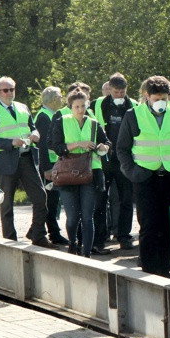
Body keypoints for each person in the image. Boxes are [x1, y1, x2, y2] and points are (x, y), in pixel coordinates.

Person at [117, 76, 170, 278]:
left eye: (164, 98)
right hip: (145, 179)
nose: (161, 102)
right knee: (148, 226)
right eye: (157, 98)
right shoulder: (133, 114)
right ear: (147, 96)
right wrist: (132, 173)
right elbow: (122, 148)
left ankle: (164, 271)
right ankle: (148, 273)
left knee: (167, 227)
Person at [0, 76, 53, 248]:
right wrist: (11, 143)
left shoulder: (23, 107)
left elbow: (33, 128)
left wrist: (35, 134)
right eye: (5, 90)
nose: (9, 93)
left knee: (41, 197)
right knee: (6, 204)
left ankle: (38, 234)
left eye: (11, 89)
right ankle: (10, 241)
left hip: (27, 158)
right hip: (6, 161)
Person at [50, 89, 111, 257]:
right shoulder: (61, 121)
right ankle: (73, 243)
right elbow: (56, 146)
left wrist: (103, 147)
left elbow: (106, 142)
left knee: (87, 217)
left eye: (83, 106)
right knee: (72, 218)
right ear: (70, 107)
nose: (80, 109)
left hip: (90, 173)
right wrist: (78, 144)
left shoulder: (93, 123)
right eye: (76, 106)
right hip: (68, 174)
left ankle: (86, 254)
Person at [93, 73, 137, 251]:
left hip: (125, 159)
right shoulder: (98, 104)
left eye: (122, 92)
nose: (119, 95)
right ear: (109, 89)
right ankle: (99, 237)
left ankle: (124, 236)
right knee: (100, 199)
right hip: (104, 158)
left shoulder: (133, 105)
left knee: (126, 198)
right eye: (116, 92)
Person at [34, 86, 68, 245]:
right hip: (49, 166)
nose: (62, 99)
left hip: (54, 163)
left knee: (53, 200)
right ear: (54, 99)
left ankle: (35, 230)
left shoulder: (51, 115)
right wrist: (47, 168)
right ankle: (53, 233)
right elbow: (42, 145)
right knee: (51, 201)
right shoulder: (44, 117)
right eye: (60, 96)